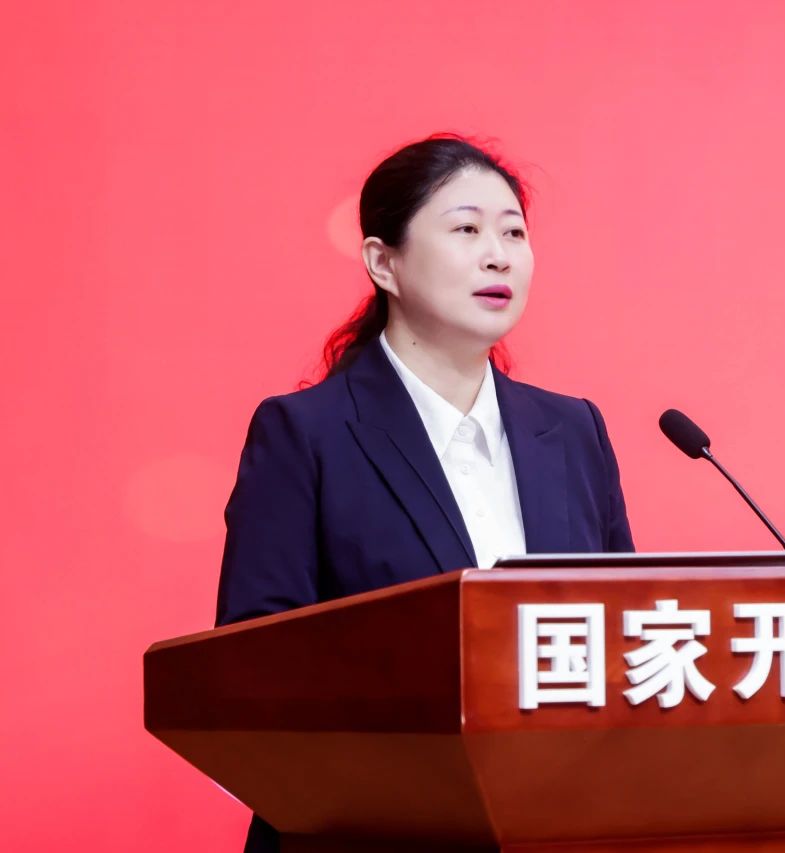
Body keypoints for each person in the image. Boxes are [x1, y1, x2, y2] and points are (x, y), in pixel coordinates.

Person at [214, 134, 635, 852]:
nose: (498, 255)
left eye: (513, 233)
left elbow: (624, 630)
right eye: (466, 230)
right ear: (384, 262)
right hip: (368, 831)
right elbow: (255, 667)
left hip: (555, 826)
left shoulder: (572, 430)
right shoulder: (306, 434)